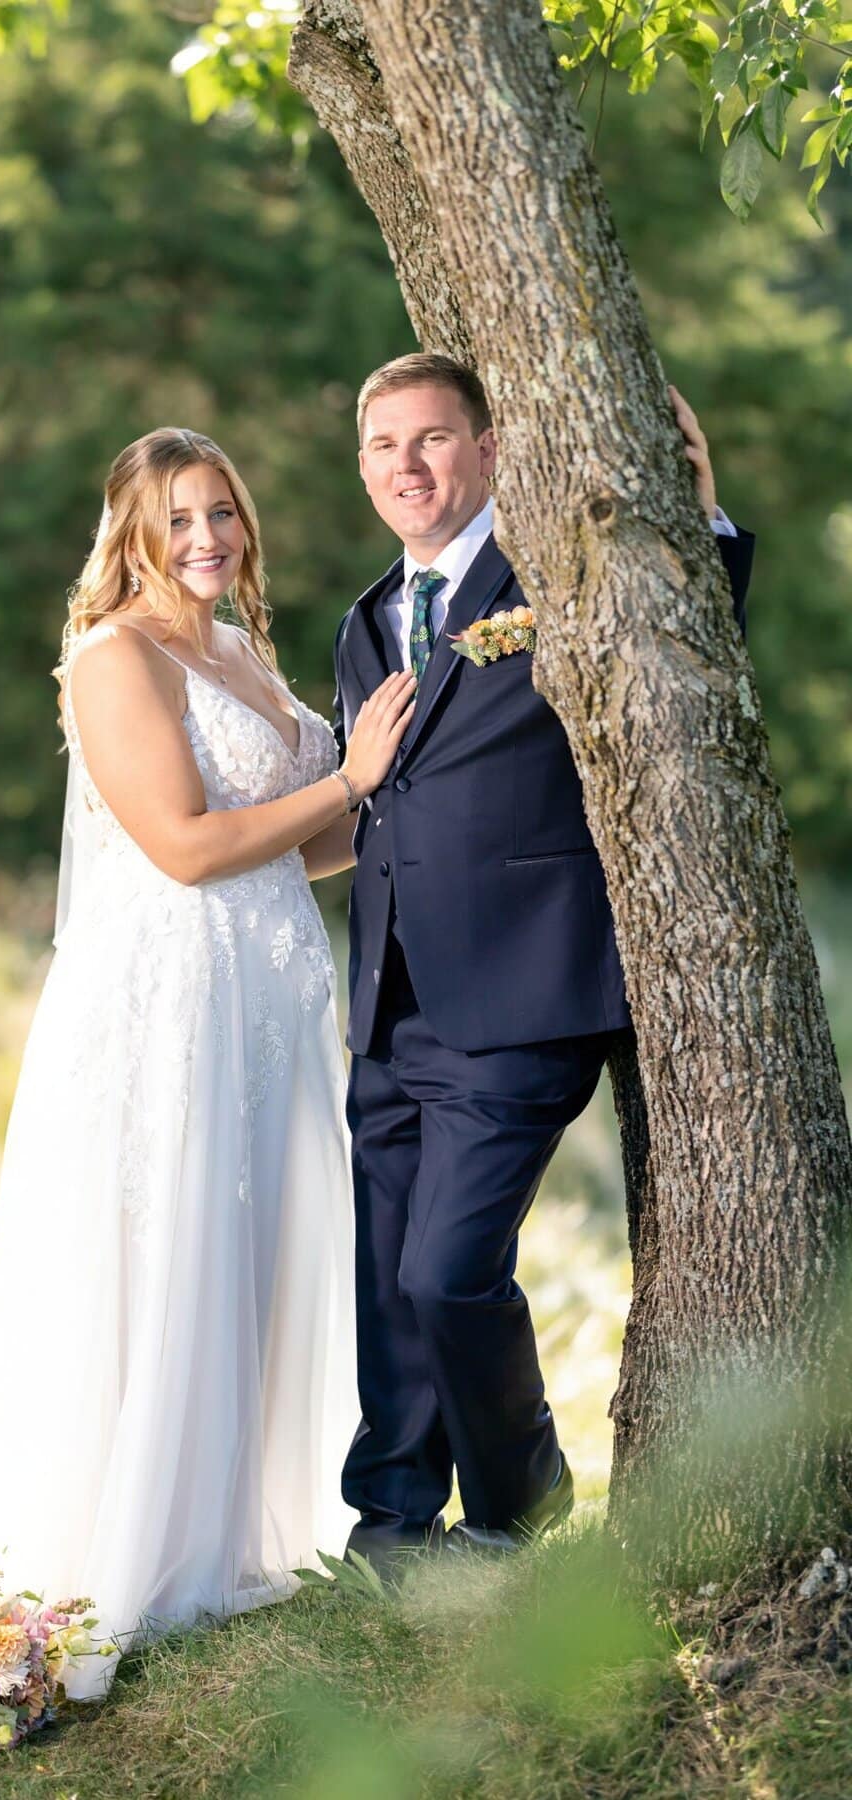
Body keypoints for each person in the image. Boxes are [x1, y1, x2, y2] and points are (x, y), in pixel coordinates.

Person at [0, 426, 415, 1695]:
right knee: (158, 1259)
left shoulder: (240, 649)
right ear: (130, 533)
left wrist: (390, 813)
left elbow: (294, 847)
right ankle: (123, 1558)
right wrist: (353, 772)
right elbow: (189, 848)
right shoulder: (112, 658)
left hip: (264, 1009)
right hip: (169, 1011)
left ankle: (216, 1541)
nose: (208, 539)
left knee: (241, 1262)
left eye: (223, 515)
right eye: (179, 519)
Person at [332, 353, 755, 1567]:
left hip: (523, 991)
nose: (407, 467)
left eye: (432, 440)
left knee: (451, 1269)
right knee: (388, 1278)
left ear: (490, 451)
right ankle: (393, 1515)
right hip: (390, 1001)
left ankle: (519, 1508)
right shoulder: (366, 620)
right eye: (383, 447)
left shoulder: (546, 581)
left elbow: (687, 632)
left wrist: (701, 509)